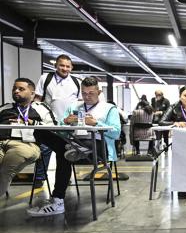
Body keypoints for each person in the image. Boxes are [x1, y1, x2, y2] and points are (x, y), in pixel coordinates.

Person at [27, 77, 121, 217]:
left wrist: (96, 124)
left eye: (91, 93)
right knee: (42, 132)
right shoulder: (73, 107)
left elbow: (116, 133)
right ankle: (74, 150)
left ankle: (58, 201)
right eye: (84, 93)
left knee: (64, 151)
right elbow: (62, 131)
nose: (87, 96)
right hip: (72, 144)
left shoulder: (109, 109)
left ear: (99, 92)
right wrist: (64, 122)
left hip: (98, 149)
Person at [0, 78, 56, 195]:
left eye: (21, 89)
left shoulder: (41, 108)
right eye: (14, 88)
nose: (16, 91)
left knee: (6, 169)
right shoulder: (5, 108)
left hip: (26, 144)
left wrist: (31, 123)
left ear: (32, 93)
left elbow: (53, 128)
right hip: (2, 142)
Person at [33, 54, 80, 188]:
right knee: (45, 150)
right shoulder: (45, 78)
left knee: (66, 153)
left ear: (71, 67)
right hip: (48, 123)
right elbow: (37, 99)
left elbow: (80, 104)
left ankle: (65, 179)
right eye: (61, 65)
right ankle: (39, 177)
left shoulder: (76, 82)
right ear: (56, 65)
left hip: (68, 125)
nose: (64, 68)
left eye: (67, 66)